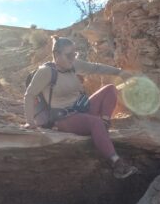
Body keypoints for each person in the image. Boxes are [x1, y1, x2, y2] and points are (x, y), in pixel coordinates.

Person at [24, 36, 139, 179]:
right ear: (56, 55)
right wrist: (30, 122)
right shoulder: (46, 72)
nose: (73, 58)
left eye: (75, 54)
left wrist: (120, 72)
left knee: (110, 89)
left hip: (81, 109)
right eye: (69, 55)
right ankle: (117, 164)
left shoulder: (73, 65)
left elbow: (96, 67)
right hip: (64, 118)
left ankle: (103, 126)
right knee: (94, 123)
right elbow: (29, 95)